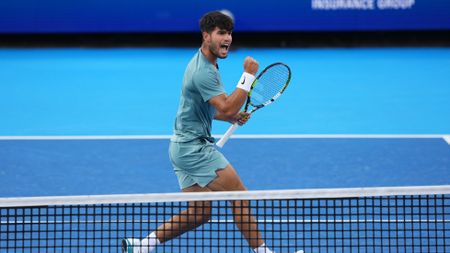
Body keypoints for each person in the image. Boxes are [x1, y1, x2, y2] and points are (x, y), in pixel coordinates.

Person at [122, 11, 274, 253]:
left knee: (198, 213)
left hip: (181, 148)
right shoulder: (203, 72)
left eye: (230, 33)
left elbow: (217, 110)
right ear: (206, 36)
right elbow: (226, 105)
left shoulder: (207, 64)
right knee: (240, 198)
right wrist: (247, 76)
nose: (228, 38)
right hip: (194, 149)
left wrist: (232, 116)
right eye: (221, 33)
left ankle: (142, 246)